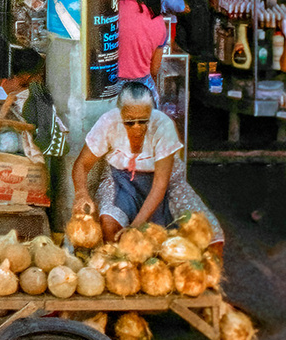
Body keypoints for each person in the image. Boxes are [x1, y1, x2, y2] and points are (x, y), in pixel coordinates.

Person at [71, 81, 224, 252]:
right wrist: (81, 193)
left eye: (143, 121)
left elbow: (160, 184)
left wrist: (135, 227)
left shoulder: (163, 126)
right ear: (120, 113)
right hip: (120, 179)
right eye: (129, 122)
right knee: (109, 225)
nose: (137, 127)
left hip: (165, 183)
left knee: (212, 239)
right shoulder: (108, 122)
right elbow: (82, 164)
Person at [117, 0, 167, 97]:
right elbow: (154, 69)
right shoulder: (158, 21)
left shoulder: (112, 12)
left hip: (113, 91)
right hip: (144, 92)